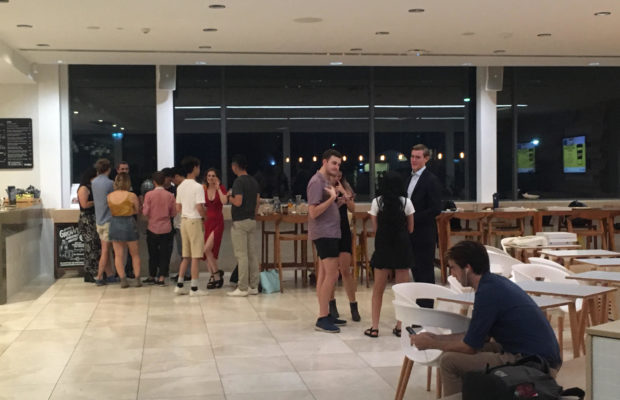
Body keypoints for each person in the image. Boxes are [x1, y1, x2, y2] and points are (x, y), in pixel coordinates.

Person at [410, 240, 562, 396]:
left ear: (467, 268)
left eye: (453, 268)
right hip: (533, 353)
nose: (452, 274)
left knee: (449, 362)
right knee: (452, 353)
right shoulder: (494, 284)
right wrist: (436, 338)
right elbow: (477, 338)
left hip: (534, 362)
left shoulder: (488, 292)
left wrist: (432, 343)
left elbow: (470, 347)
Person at [364, 171, 414, 338]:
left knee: (378, 290)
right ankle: (400, 326)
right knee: (402, 290)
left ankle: (375, 327)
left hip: (383, 247)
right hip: (402, 247)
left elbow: (375, 229)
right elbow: (411, 229)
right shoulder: (406, 202)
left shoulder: (377, 202)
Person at [308, 149, 347, 333]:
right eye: (333, 163)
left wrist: (338, 201)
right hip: (324, 233)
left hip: (330, 232)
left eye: (338, 164)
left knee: (324, 275)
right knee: (332, 274)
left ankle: (325, 313)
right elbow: (313, 212)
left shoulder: (325, 181)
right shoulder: (316, 182)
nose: (336, 167)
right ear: (324, 162)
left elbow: (324, 209)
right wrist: (332, 197)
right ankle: (322, 317)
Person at [406, 144, 442, 308]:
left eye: (418, 157)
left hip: (425, 233)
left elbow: (435, 209)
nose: (414, 160)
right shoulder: (408, 178)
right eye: (412, 156)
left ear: (426, 159)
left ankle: (427, 308)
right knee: (415, 270)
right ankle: (419, 307)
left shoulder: (431, 180)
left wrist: (412, 218)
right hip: (411, 233)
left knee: (426, 272)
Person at [328, 171, 360, 322]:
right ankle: (331, 304)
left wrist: (344, 196)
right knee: (332, 272)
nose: (337, 178)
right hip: (330, 231)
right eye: (335, 175)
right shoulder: (325, 188)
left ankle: (353, 305)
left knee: (346, 270)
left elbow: (353, 209)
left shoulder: (345, 188)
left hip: (344, 230)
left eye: (340, 175)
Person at [227, 154, 260, 297]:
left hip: (240, 221)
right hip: (252, 220)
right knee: (252, 255)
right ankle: (254, 286)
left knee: (242, 255)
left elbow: (238, 202)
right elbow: (257, 202)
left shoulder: (238, 182)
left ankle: (242, 287)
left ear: (235, 166)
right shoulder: (254, 181)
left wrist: (229, 196)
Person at [174, 156, 207, 296]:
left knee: (186, 255)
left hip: (184, 222)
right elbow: (199, 206)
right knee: (196, 256)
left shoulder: (180, 186)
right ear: (194, 168)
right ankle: (194, 287)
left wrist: (186, 212)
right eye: (198, 167)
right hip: (194, 221)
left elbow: (178, 207)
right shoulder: (197, 186)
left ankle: (180, 285)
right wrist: (205, 216)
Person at [107, 172, 142, 288]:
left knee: (118, 255)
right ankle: (137, 279)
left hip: (115, 223)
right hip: (129, 223)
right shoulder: (131, 195)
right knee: (134, 254)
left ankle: (123, 279)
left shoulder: (109, 196)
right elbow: (137, 210)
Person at [142, 171, 177, 286]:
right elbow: (173, 213)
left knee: (152, 254)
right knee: (164, 254)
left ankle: (152, 275)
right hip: (166, 228)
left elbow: (145, 212)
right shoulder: (170, 195)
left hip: (152, 227)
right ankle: (162, 277)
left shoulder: (149, 195)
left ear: (154, 182)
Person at [202, 168, 228, 289]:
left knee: (207, 249)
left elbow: (224, 201)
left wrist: (218, 188)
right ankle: (213, 276)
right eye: (209, 176)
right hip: (208, 222)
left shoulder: (221, 188)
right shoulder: (204, 189)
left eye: (213, 175)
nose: (211, 178)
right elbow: (202, 206)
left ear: (217, 177)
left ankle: (216, 274)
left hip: (218, 221)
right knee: (208, 252)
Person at [91, 158, 116, 286]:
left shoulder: (94, 182)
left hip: (99, 219)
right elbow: (114, 200)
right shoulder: (110, 183)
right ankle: (99, 276)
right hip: (108, 220)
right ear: (109, 169)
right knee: (106, 250)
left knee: (104, 248)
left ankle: (110, 274)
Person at [77, 167, 101, 283]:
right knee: (89, 246)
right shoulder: (83, 188)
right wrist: (97, 201)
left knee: (95, 246)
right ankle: (88, 272)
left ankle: (94, 270)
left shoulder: (91, 187)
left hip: (93, 219)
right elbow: (84, 204)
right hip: (87, 220)